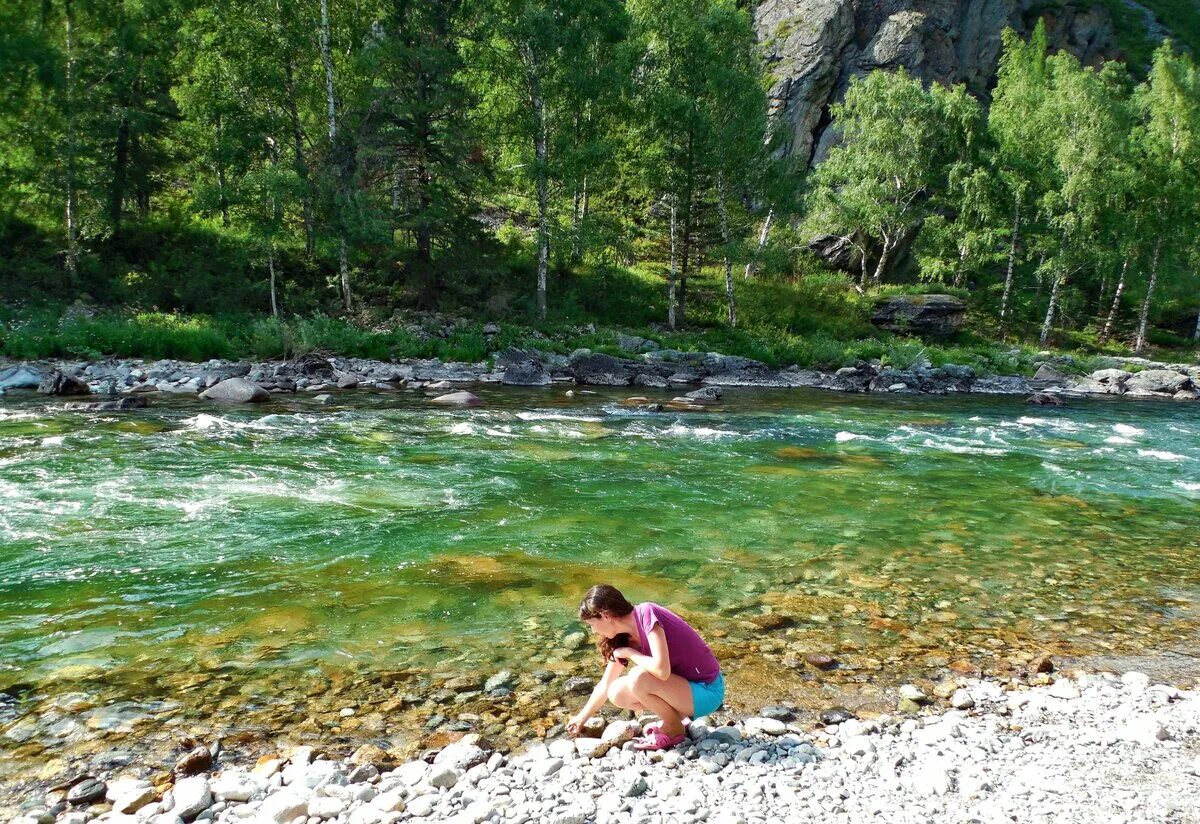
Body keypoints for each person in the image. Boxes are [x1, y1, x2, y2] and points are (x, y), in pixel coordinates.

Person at [565, 583, 725, 751]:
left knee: (638, 677)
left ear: (606, 616)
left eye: (592, 624)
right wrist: (581, 718)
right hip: (683, 692)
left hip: (707, 691)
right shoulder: (623, 638)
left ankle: (673, 728)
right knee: (616, 691)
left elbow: (662, 672)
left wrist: (630, 653)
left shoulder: (647, 613)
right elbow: (605, 684)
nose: (593, 630)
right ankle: (674, 717)